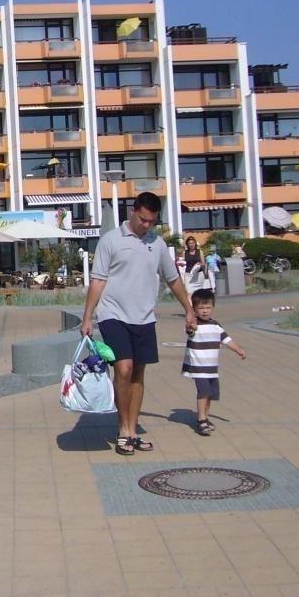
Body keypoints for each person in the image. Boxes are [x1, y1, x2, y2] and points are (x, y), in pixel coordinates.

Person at [82, 192, 198, 455]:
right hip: (112, 314)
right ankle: (123, 429)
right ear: (133, 211)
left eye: (152, 221)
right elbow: (98, 279)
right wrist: (88, 316)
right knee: (123, 368)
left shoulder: (157, 243)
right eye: (143, 219)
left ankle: (133, 431)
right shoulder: (111, 240)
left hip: (144, 317)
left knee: (137, 373)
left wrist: (189, 309)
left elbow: (173, 278)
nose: (147, 225)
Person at [182, 289, 247, 435]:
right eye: (201, 308)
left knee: (210, 394)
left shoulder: (216, 325)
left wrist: (238, 349)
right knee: (203, 392)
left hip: (211, 368)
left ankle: (205, 417)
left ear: (213, 308)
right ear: (194, 309)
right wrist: (190, 327)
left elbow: (226, 340)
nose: (205, 311)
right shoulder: (194, 324)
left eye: (208, 307)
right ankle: (201, 420)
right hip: (198, 367)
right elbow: (189, 330)